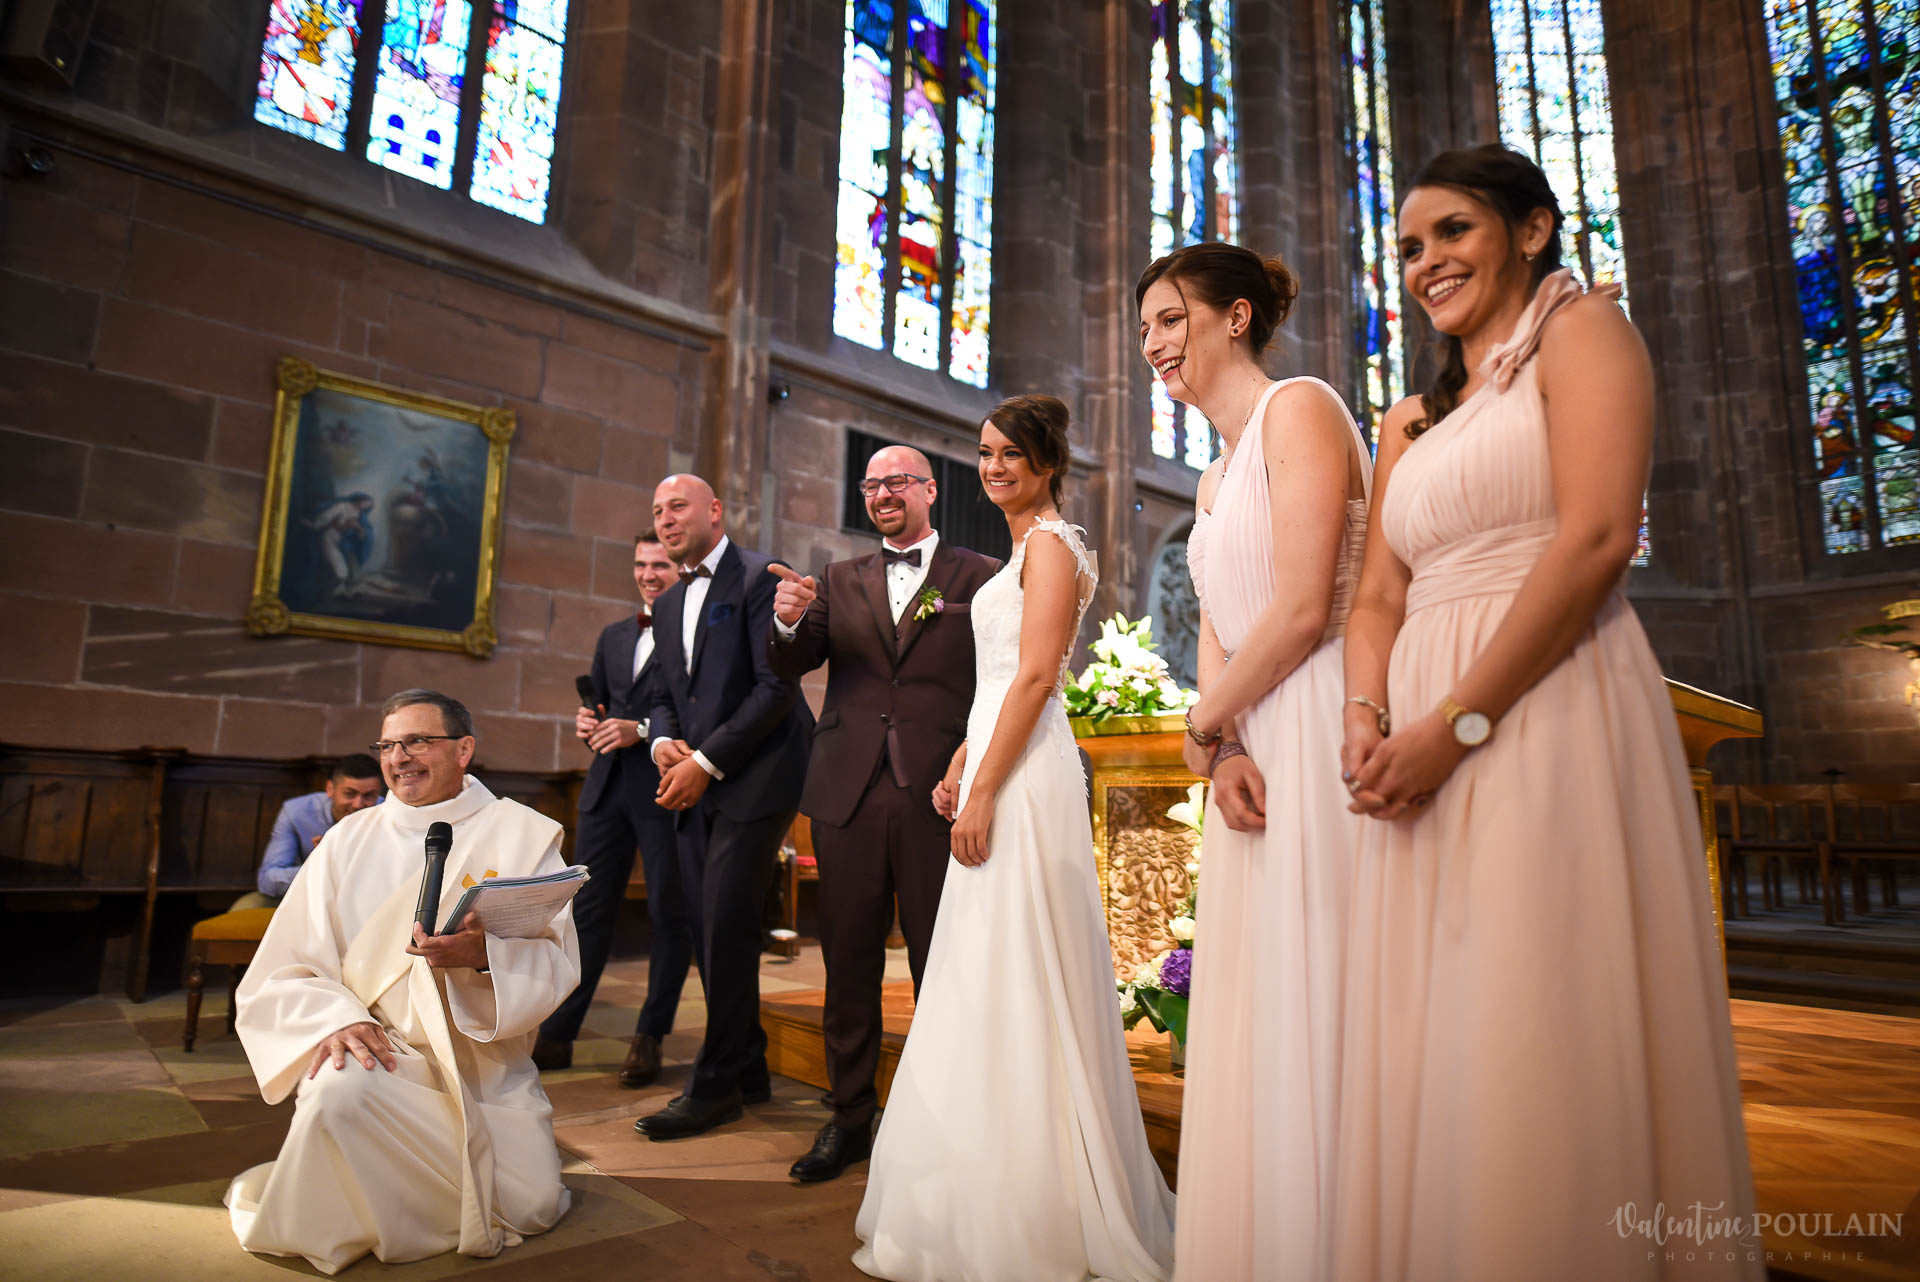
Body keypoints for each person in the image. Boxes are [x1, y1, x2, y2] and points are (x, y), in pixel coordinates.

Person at [1330, 144, 1757, 1281]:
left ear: (1531, 229)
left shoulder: (1584, 334)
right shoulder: (1407, 418)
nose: (1426, 262)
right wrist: (1366, 714)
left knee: (1534, 1011)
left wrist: (1455, 725)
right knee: (1437, 1026)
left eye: (1453, 232)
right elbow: (1377, 592)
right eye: (1410, 246)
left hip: (1545, 699)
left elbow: (1598, 538)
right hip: (1412, 715)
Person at [853, 397, 1175, 1282]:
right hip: (999, 755)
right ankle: (979, 1180)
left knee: (1020, 968)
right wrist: (962, 760)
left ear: (1046, 462)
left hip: (1029, 781)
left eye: (1010, 456)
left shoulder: (1052, 546)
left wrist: (986, 789)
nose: (993, 468)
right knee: (980, 970)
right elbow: (998, 685)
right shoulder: (1014, 554)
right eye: (985, 454)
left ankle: (1044, 1197)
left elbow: (1039, 677)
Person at [1136, 242, 1372, 1280]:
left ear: (1236, 317)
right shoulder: (1213, 470)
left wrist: (1201, 723)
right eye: (1144, 329)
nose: (1154, 343)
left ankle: (1346, 1231)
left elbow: (1306, 604)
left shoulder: (1304, 409)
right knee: (1262, 1001)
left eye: (1171, 319)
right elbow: (1218, 627)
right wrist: (1223, 740)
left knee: (1330, 988)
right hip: (1254, 748)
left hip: (1323, 722)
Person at [226, 689, 581, 1275]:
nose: (399, 757)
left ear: (464, 749)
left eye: (418, 740)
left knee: (532, 1204)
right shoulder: (347, 840)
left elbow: (557, 959)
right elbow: (285, 964)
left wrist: (481, 956)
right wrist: (336, 1019)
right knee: (337, 1095)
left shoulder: (521, 834)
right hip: (378, 1043)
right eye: (389, 744)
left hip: (480, 1066)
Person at [766, 444, 1000, 1183]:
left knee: (942, 962)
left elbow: (997, 682)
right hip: (847, 792)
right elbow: (791, 663)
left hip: (939, 793)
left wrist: (972, 767)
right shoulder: (838, 578)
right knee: (849, 960)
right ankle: (849, 1119)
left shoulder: (980, 575)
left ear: (930, 489)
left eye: (897, 481)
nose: (883, 493)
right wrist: (786, 621)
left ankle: (941, 1117)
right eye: (871, 485)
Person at [631, 475, 813, 1141]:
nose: (666, 519)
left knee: (725, 922)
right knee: (703, 923)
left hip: (761, 771)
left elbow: (776, 689)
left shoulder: (761, 576)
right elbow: (660, 695)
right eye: (656, 511)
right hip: (694, 772)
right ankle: (750, 1065)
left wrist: (704, 765)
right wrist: (661, 747)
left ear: (713, 510)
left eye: (677, 506)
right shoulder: (671, 600)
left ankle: (714, 1087)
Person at [533, 530, 693, 1085]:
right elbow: (600, 705)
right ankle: (558, 1033)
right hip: (605, 790)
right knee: (586, 914)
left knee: (668, 913)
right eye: (641, 564)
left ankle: (650, 1035)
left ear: (682, 570)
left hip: (665, 787)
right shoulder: (615, 633)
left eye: (660, 565)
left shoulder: (694, 635)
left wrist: (642, 729)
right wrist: (589, 726)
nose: (649, 573)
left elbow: (695, 716)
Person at [234, 754, 384, 910]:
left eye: (368, 796)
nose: (358, 804)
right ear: (330, 789)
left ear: (379, 793)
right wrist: (320, 865)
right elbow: (268, 880)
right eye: (349, 794)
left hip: (364, 899)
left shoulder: (387, 813)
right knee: (247, 906)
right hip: (305, 893)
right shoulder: (297, 812)